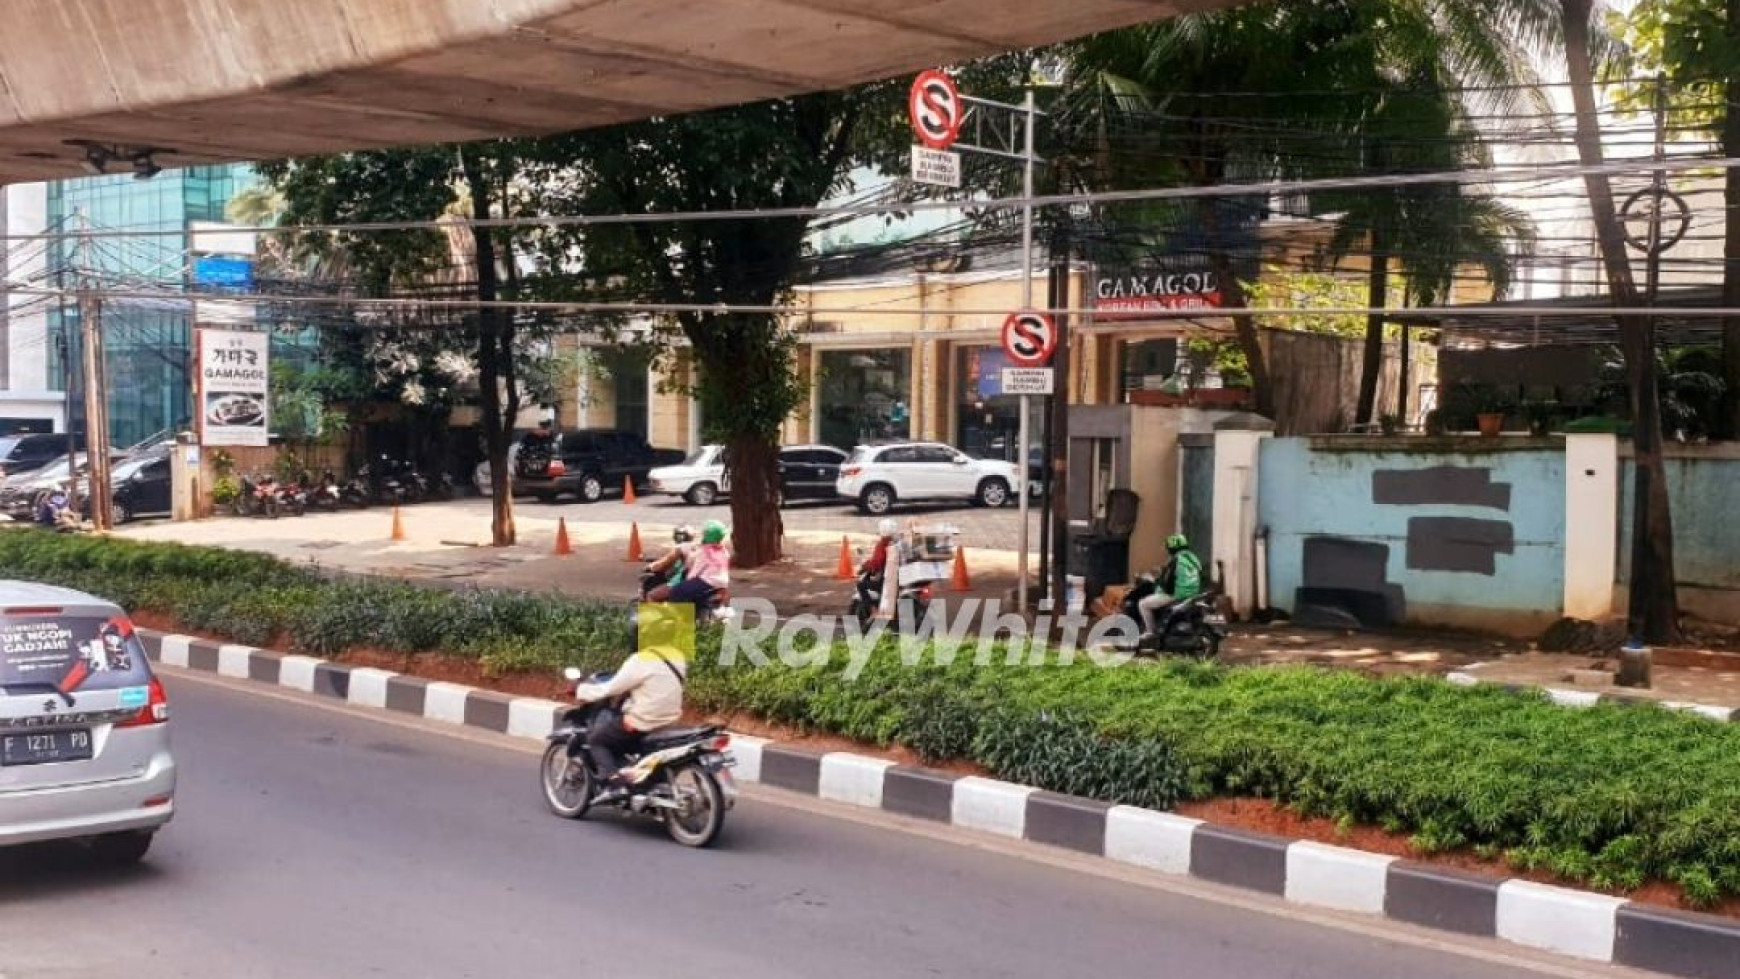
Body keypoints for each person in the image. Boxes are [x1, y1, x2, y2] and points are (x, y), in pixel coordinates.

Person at [573, 612, 687, 804]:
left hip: (643, 723)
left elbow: (608, 689)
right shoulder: (678, 657)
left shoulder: (640, 660)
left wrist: (580, 689)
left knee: (597, 740)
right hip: (670, 722)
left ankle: (615, 783)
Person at [647, 520, 729, 608]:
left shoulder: (699, 550)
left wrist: (652, 566)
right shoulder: (723, 551)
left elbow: (665, 563)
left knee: (657, 594)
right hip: (721, 583)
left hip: (693, 581)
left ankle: (674, 618)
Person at [1138, 533, 1204, 641]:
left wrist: (1159, 583)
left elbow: (1168, 582)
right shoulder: (1193, 558)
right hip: (1194, 593)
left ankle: (1150, 632)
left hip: (1177, 594)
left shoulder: (1176, 560)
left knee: (1143, 604)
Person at [857, 518, 900, 616]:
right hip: (898, 576)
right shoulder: (897, 542)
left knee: (861, 585)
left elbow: (876, 564)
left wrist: (865, 565)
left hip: (887, 580)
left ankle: (873, 610)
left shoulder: (882, 545)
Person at [642, 524, 696, 598]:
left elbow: (665, 562)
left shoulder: (680, 548)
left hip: (680, 581)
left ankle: (654, 609)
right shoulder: (695, 547)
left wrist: (651, 567)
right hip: (694, 579)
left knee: (650, 595)